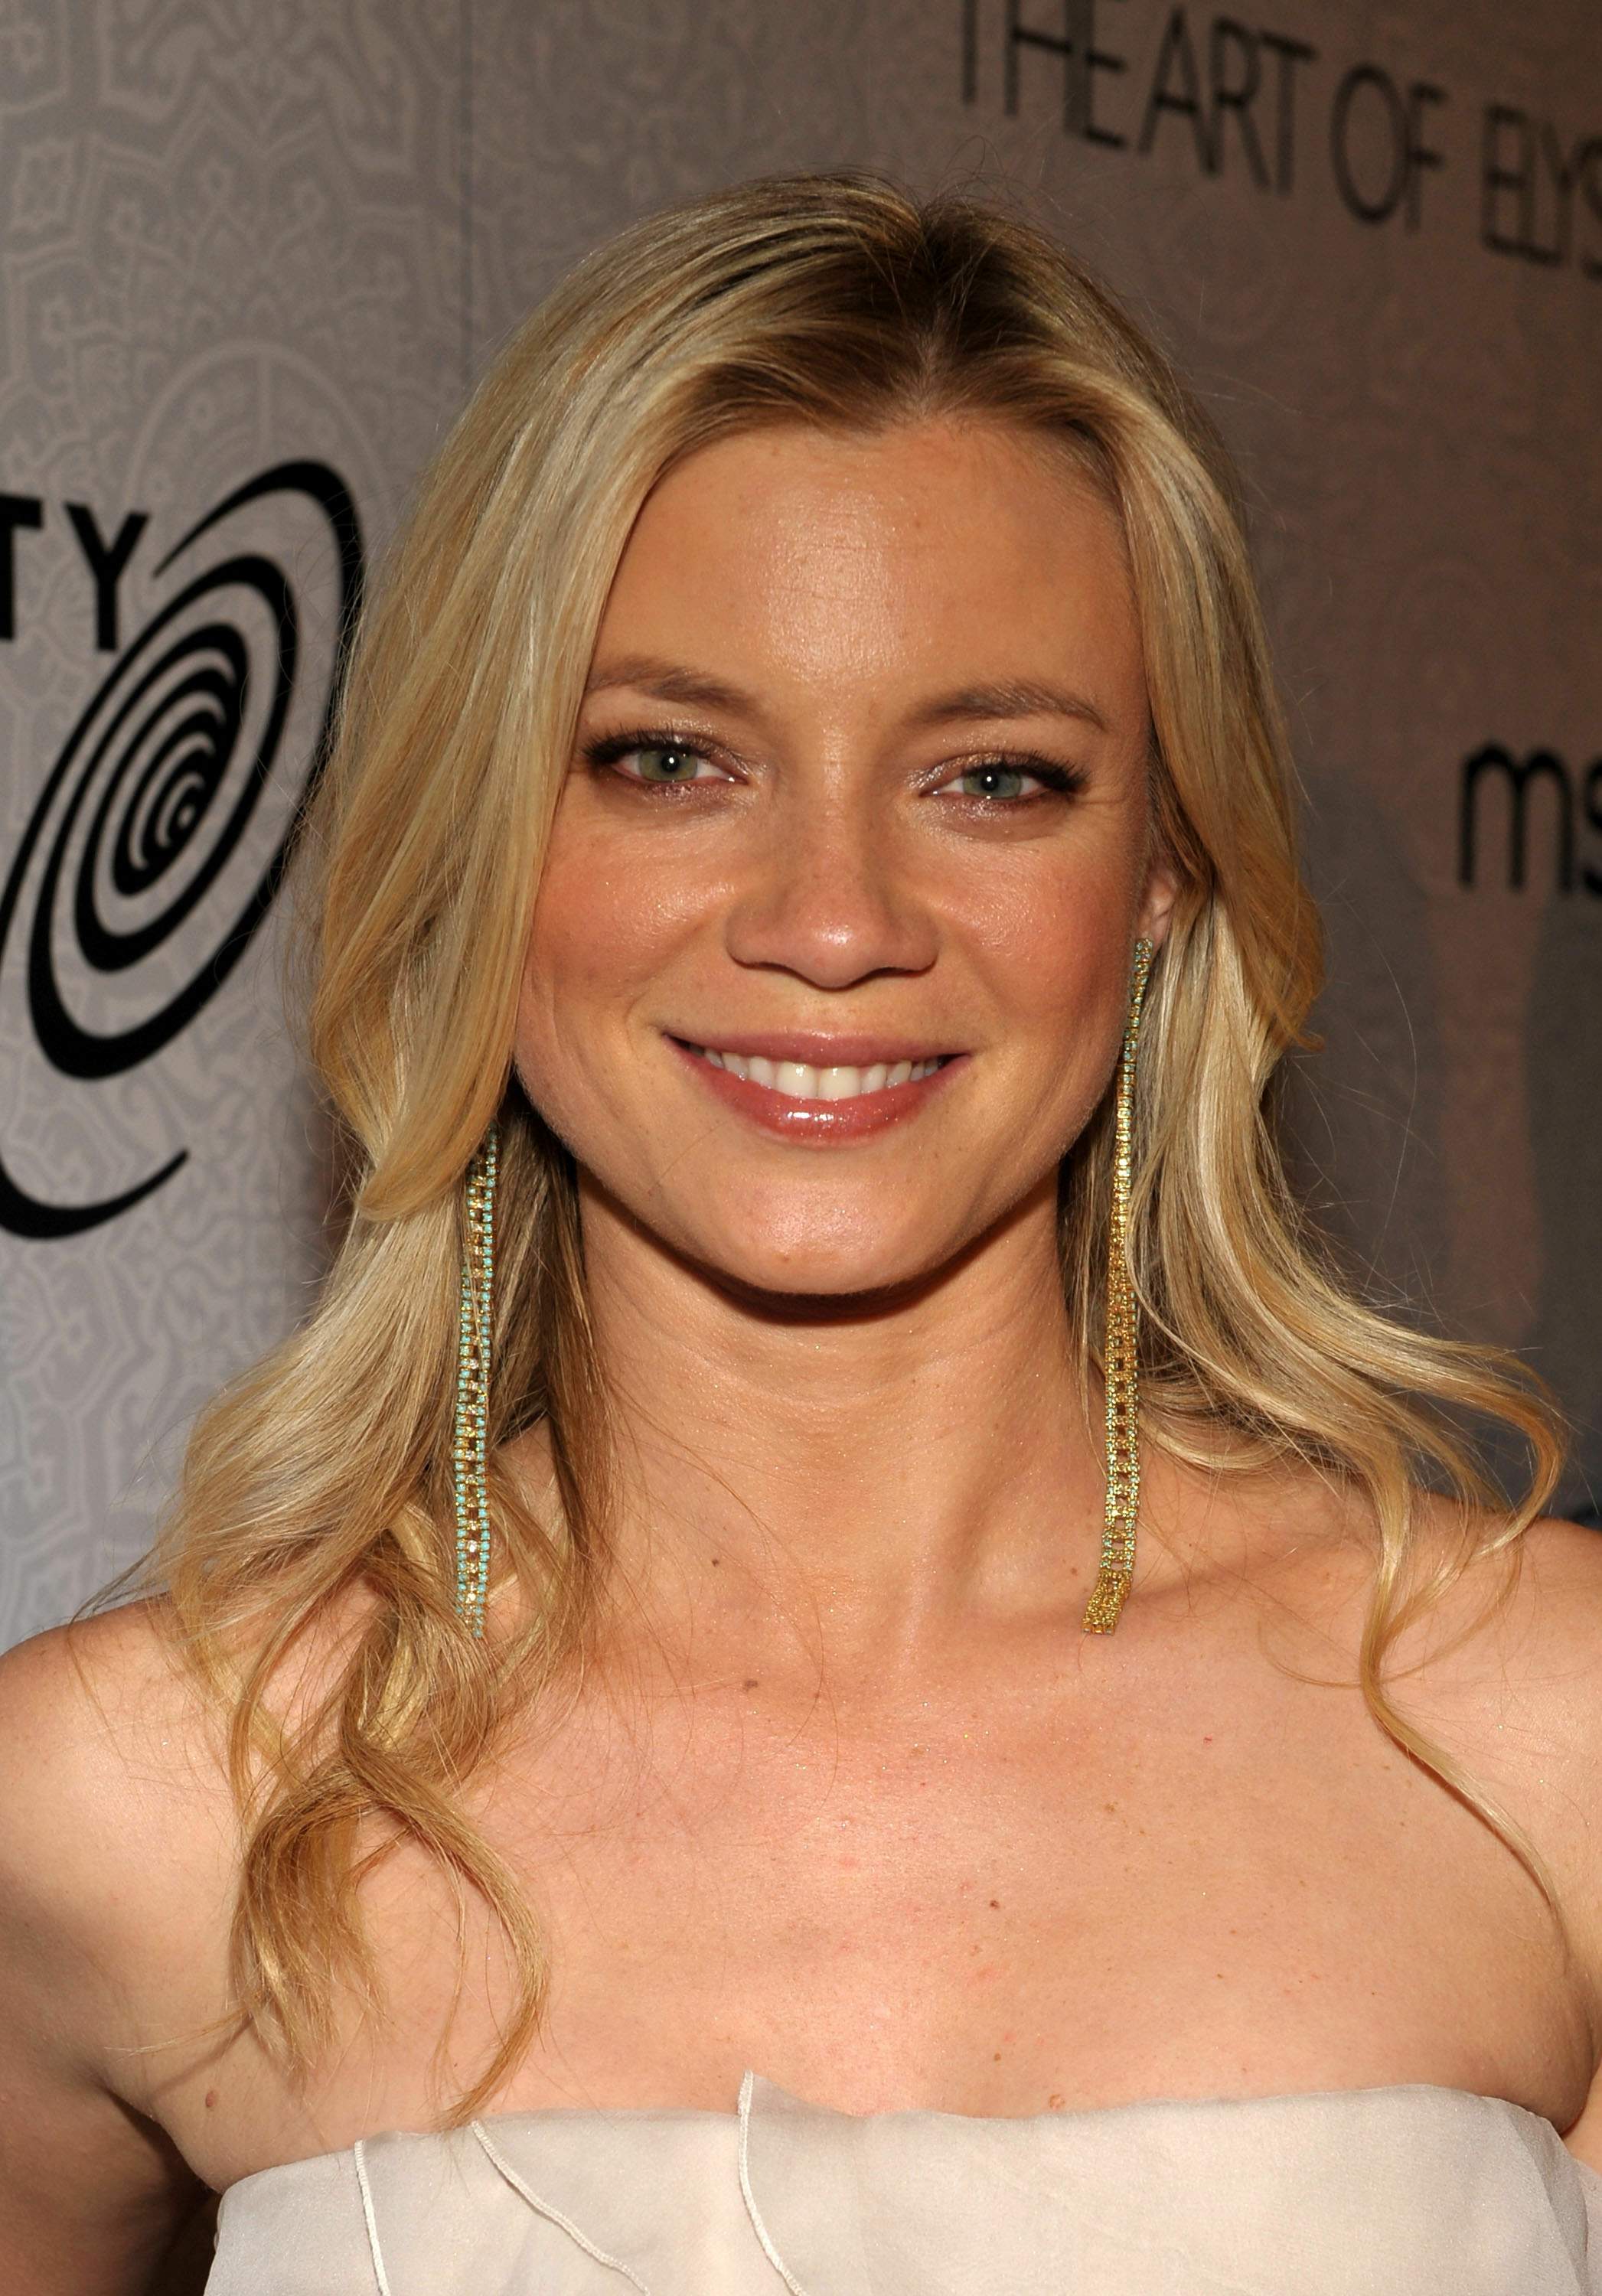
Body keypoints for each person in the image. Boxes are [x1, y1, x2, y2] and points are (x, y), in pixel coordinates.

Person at [2, 167, 1600, 2296]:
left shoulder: (1539, 1737)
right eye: (669, 759)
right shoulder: (128, 1812)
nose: (834, 923)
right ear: (483, 838)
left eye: (994, 778)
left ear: (1165, 871)